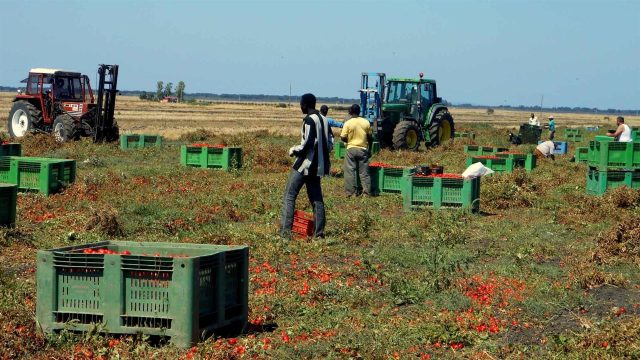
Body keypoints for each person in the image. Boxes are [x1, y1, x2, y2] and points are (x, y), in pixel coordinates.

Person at [280, 93, 333, 239]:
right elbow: (330, 142)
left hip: (305, 165)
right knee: (316, 199)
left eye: (301, 104)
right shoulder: (324, 119)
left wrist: (295, 150)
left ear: (304, 104)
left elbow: (308, 143)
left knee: (289, 196)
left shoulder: (309, 120)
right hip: (318, 166)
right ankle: (319, 234)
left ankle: (285, 233)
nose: (300, 106)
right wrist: (321, 154)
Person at [340, 104, 373, 196]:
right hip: (363, 149)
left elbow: (342, 137)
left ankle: (351, 193)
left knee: (350, 172)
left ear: (350, 112)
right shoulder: (366, 122)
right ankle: (366, 193)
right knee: (364, 173)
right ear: (359, 111)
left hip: (351, 149)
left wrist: (349, 141)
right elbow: (370, 137)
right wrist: (369, 149)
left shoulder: (348, 123)